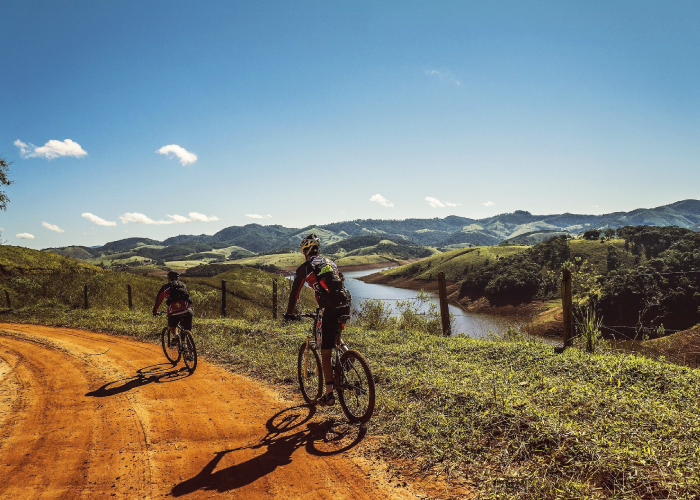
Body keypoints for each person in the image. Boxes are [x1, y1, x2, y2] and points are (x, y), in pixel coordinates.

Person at [284, 234, 351, 406]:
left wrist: (290, 313)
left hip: (327, 310)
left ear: (305, 252)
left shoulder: (305, 268)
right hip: (344, 305)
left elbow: (295, 294)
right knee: (336, 338)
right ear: (318, 250)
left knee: (325, 351)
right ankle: (348, 355)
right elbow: (340, 282)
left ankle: (329, 394)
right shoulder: (330, 262)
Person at [153, 270, 194, 345]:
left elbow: (159, 300)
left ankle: (176, 337)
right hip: (187, 310)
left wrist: (155, 311)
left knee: (171, 327)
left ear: (168, 278)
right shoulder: (183, 285)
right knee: (188, 330)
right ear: (177, 278)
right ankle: (190, 353)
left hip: (174, 312)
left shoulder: (165, 287)